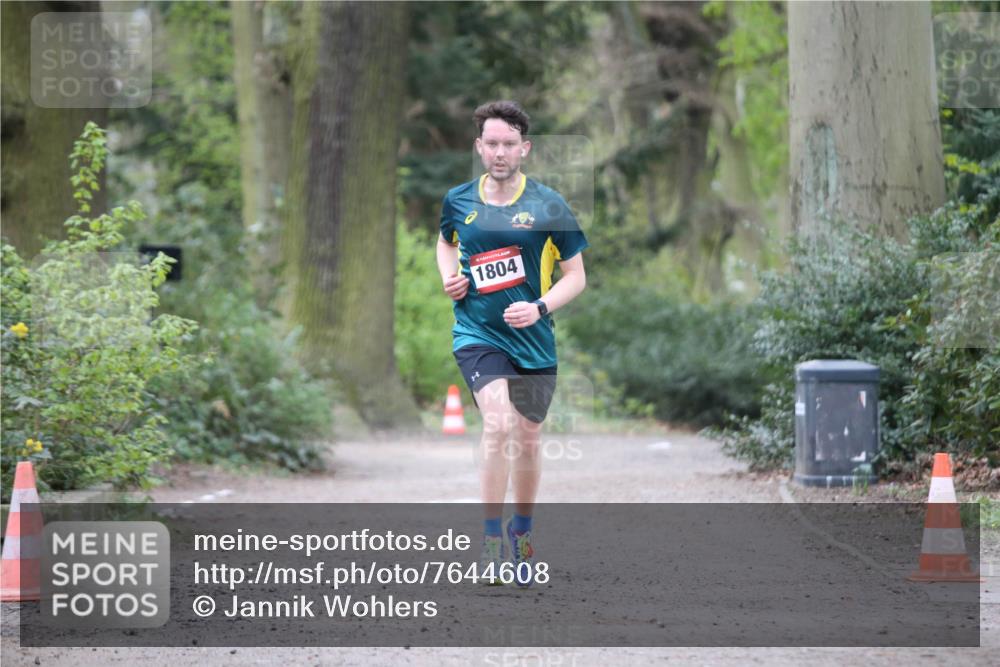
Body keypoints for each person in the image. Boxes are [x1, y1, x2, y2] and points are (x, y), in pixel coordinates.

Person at [436, 100, 588, 586]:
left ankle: (521, 531)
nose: (499, 152)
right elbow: (445, 242)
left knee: (527, 438)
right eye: (491, 144)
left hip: (533, 339)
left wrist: (539, 307)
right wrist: (450, 278)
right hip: (478, 334)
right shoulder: (459, 200)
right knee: (498, 423)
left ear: (525, 148)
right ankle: (490, 542)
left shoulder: (549, 205)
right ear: (479, 147)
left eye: (508, 144)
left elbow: (576, 277)